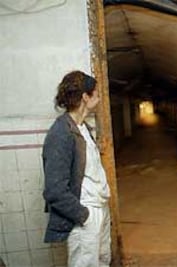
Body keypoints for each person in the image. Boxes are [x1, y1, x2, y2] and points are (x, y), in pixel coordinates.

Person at [42, 70, 111, 267]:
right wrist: (84, 216)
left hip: (99, 207)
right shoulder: (60, 134)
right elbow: (54, 190)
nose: (98, 97)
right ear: (85, 97)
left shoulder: (82, 128)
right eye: (96, 93)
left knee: (103, 261)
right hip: (85, 214)